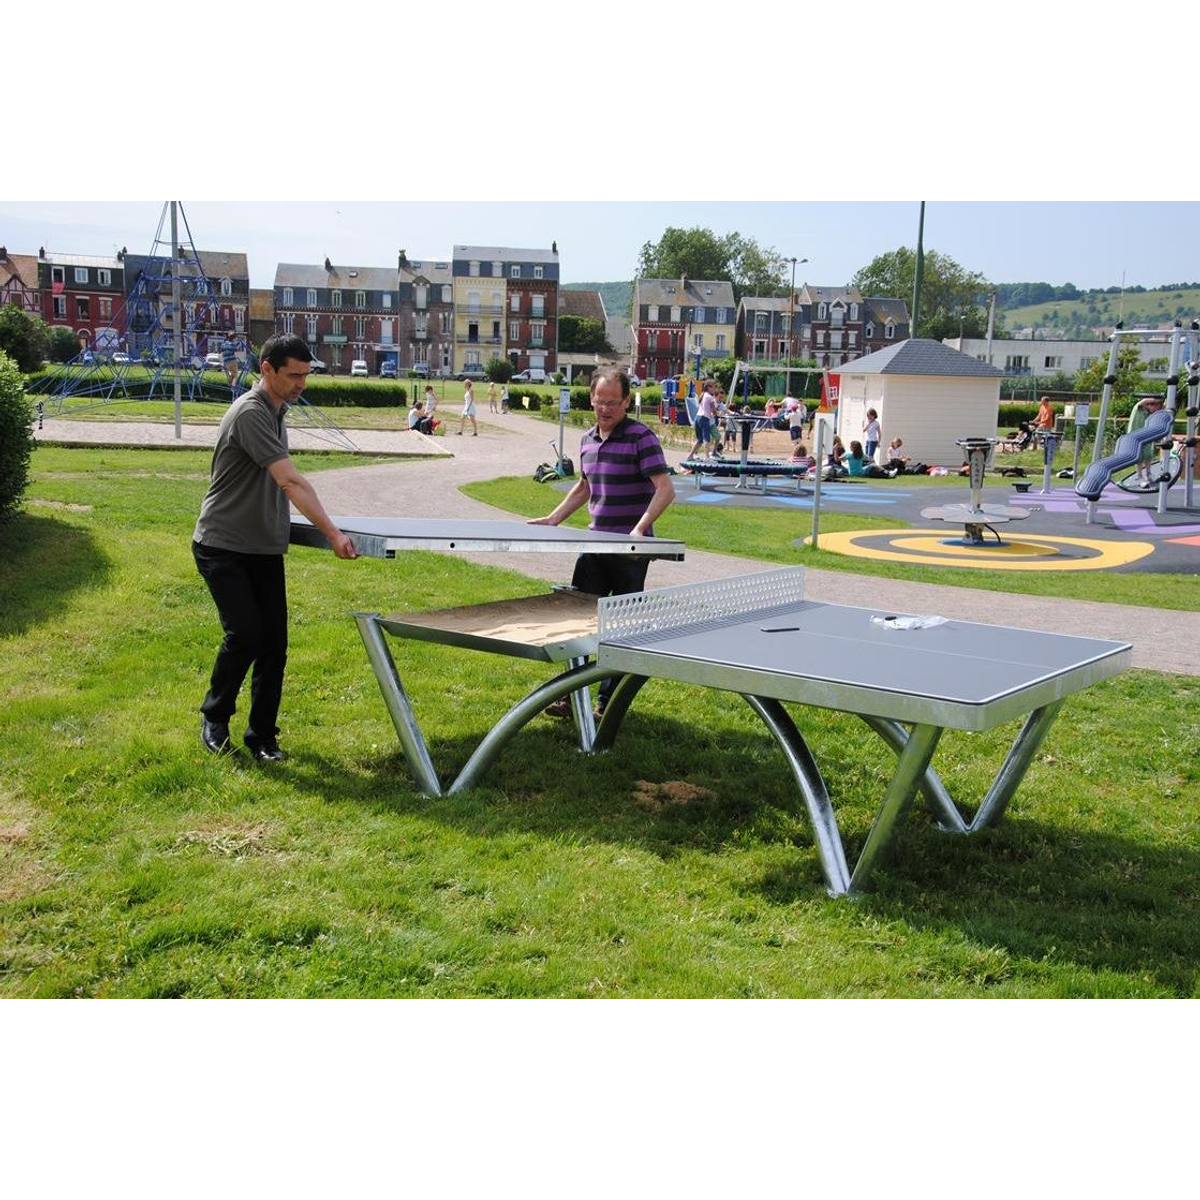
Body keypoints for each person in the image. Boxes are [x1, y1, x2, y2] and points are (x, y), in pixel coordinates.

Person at [192, 334, 359, 762]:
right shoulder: (251, 412)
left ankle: (262, 736)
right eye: (294, 375)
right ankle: (214, 717)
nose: (302, 384)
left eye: (306, 375)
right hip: (223, 544)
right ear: (266, 369)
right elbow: (289, 481)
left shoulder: (277, 410)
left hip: (264, 547)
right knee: (245, 634)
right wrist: (332, 533)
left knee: (274, 646)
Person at [530, 366, 675, 719]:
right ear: (591, 400)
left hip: (630, 553)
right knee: (577, 622)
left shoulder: (642, 437)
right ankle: (570, 696)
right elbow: (584, 487)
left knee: (619, 631)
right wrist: (554, 518)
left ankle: (605, 704)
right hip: (594, 547)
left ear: (626, 400)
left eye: (613, 402)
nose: (606, 409)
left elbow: (665, 489)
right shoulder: (586, 440)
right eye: (599, 402)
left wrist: (640, 529)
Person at [1128, 394, 1166, 483]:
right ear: (1150, 404)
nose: (1156, 410)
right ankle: (1139, 475)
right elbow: (1144, 401)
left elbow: (1161, 411)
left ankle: (1148, 474)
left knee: (1148, 455)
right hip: (1134, 436)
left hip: (1144, 436)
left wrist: (1163, 404)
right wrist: (1157, 400)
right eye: (1155, 407)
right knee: (1139, 457)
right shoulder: (1138, 408)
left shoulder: (1148, 413)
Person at [688, 379, 718, 460]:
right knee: (707, 439)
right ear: (709, 387)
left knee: (699, 440)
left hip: (697, 418)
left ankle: (690, 456)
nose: (715, 389)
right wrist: (717, 414)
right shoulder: (710, 397)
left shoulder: (703, 394)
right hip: (704, 418)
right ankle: (706, 457)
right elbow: (714, 410)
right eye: (714, 387)